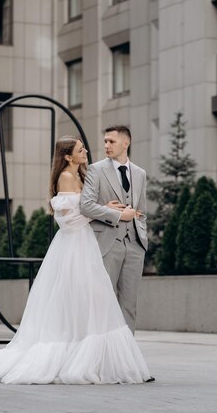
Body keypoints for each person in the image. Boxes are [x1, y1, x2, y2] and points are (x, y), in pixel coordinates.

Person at [0, 136, 151, 385]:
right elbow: (67, 220)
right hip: (73, 246)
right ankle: (78, 359)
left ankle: (92, 359)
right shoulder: (66, 178)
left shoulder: (80, 175)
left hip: (86, 244)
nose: (86, 151)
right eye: (80, 149)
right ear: (68, 156)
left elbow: (87, 207)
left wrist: (104, 208)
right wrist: (114, 214)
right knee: (79, 300)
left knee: (90, 302)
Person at [80, 125, 148, 334]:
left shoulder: (140, 173)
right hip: (107, 244)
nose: (106, 145)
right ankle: (103, 356)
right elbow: (86, 205)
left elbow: (142, 211)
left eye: (112, 141)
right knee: (103, 304)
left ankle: (126, 359)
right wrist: (117, 215)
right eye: (105, 141)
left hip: (135, 245)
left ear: (125, 143)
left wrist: (142, 237)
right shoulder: (96, 169)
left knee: (129, 305)